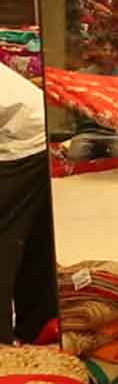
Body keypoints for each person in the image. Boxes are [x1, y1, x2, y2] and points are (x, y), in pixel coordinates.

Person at [0, 63, 58, 344]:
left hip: (19, 139)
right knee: (33, 235)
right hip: (28, 127)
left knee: (10, 237)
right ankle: (38, 326)